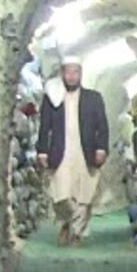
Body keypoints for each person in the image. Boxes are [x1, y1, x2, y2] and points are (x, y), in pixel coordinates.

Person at [36, 56, 109, 246]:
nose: (71, 76)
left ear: (80, 74)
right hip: (61, 152)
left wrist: (101, 148)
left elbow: (102, 126)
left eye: (75, 72)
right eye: (68, 72)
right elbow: (44, 126)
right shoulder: (53, 97)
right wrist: (42, 150)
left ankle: (77, 232)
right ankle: (66, 222)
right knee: (61, 195)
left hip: (86, 151)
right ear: (62, 73)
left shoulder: (94, 98)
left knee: (84, 194)